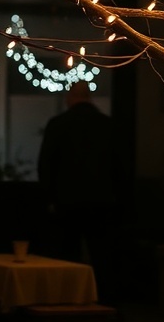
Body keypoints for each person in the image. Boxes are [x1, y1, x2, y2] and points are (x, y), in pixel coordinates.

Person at [37, 80, 117, 301]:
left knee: (66, 255)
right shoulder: (107, 125)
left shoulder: (58, 124)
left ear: (70, 97)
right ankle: (106, 302)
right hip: (101, 201)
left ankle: (65, 301)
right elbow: (120, 166)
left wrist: (49, 198)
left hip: (66, 201)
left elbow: (45, 165)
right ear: (89, 97)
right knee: (103, 257)